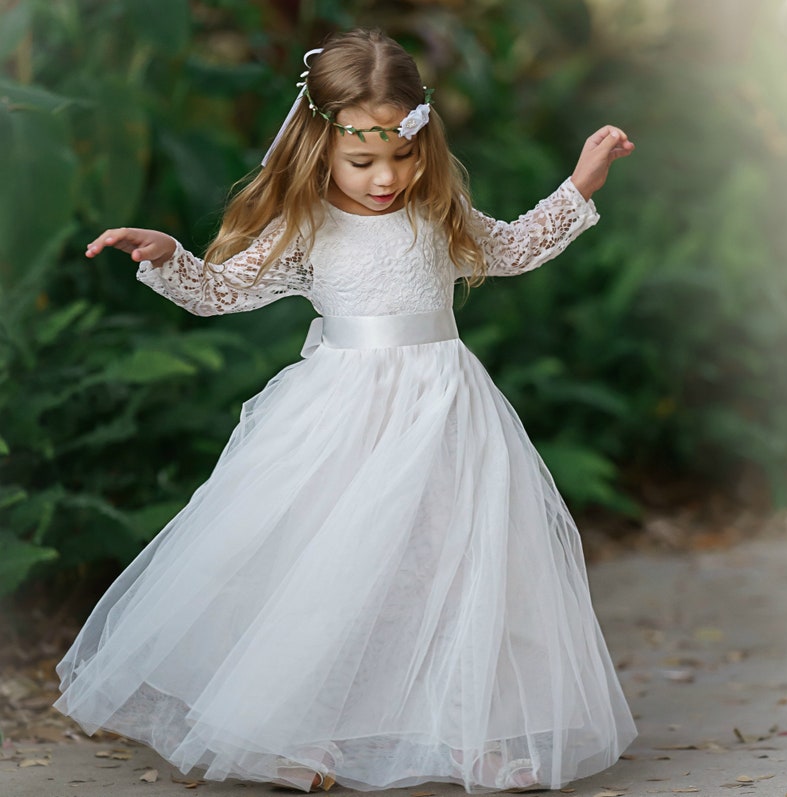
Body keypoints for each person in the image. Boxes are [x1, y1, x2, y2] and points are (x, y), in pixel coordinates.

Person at [55, 28, 636, 794]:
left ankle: (467, 734)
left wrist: (580, 184)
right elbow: (222, 291)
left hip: (447, 413)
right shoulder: (307, 228)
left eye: (404, 153)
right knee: (325, 574)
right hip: (344, 421)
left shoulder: (439, 210)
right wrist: (169, 257)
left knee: (463, 568)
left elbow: (513, 247)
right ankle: (283, 732)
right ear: (319, 146)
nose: (387, 176)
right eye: (363, 161)